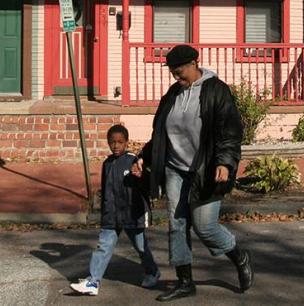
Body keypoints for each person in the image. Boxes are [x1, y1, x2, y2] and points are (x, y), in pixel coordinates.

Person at [131, 44, 254, 302]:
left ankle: (239, 256)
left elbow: (229, 132)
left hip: (205, 170)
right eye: (172, 71)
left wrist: (225, 162)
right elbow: (161, 134)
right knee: (177, 225)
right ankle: (185, 281)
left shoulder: (216, 91)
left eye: (179, 70)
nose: (176, 75)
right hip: (175, 169)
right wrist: (144, 157)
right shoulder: (173, 94)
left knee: (205, 227)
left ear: (194, 63)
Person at [70, 124, 160, 296]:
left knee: (141, 247)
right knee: (103, 247)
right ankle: (93, 281)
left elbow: (146, 185)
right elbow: (106, 190)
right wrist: (105, 212)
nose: (116, 145)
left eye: (120, 142)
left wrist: (141, 176)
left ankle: (152, 272)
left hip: (132, 214)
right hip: (111, 216)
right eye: (112, 142)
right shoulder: (107, 164)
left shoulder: (134, 160)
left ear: (126, 142)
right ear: (108, 143)